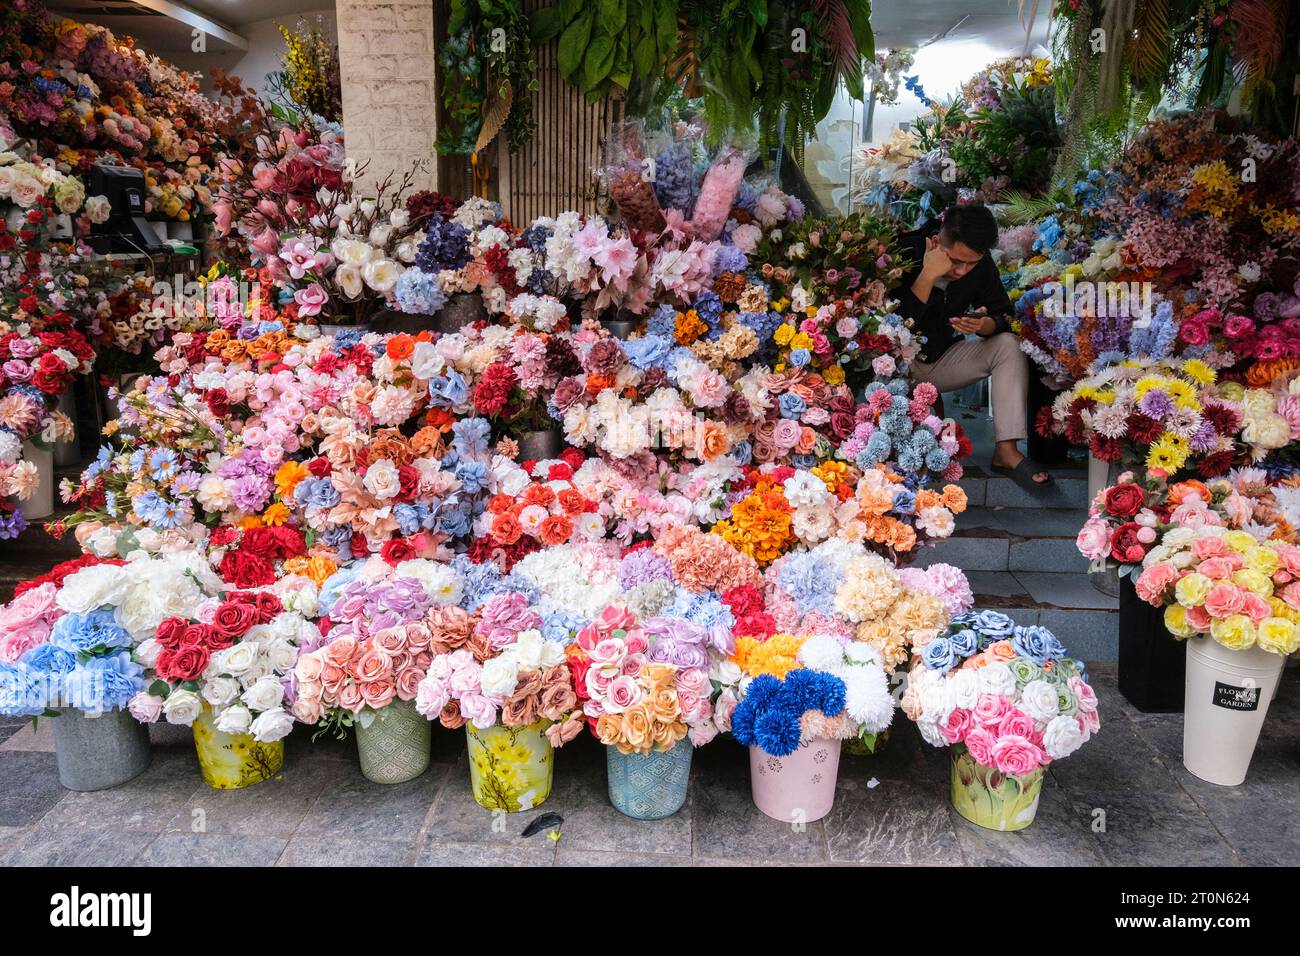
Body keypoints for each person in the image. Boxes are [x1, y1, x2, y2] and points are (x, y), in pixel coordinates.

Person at [894, 204, 1051, 487]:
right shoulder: (904, 251)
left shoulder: (980, 263)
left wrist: (983, 325)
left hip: (940, 360)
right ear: (940, 239)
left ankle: (1007, 451)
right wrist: (927, 275)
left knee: (1008, 344)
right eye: (956, 261)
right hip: (891, 367)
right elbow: (892, 328)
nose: (963, 271)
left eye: (972, 263)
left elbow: (1003, 313)